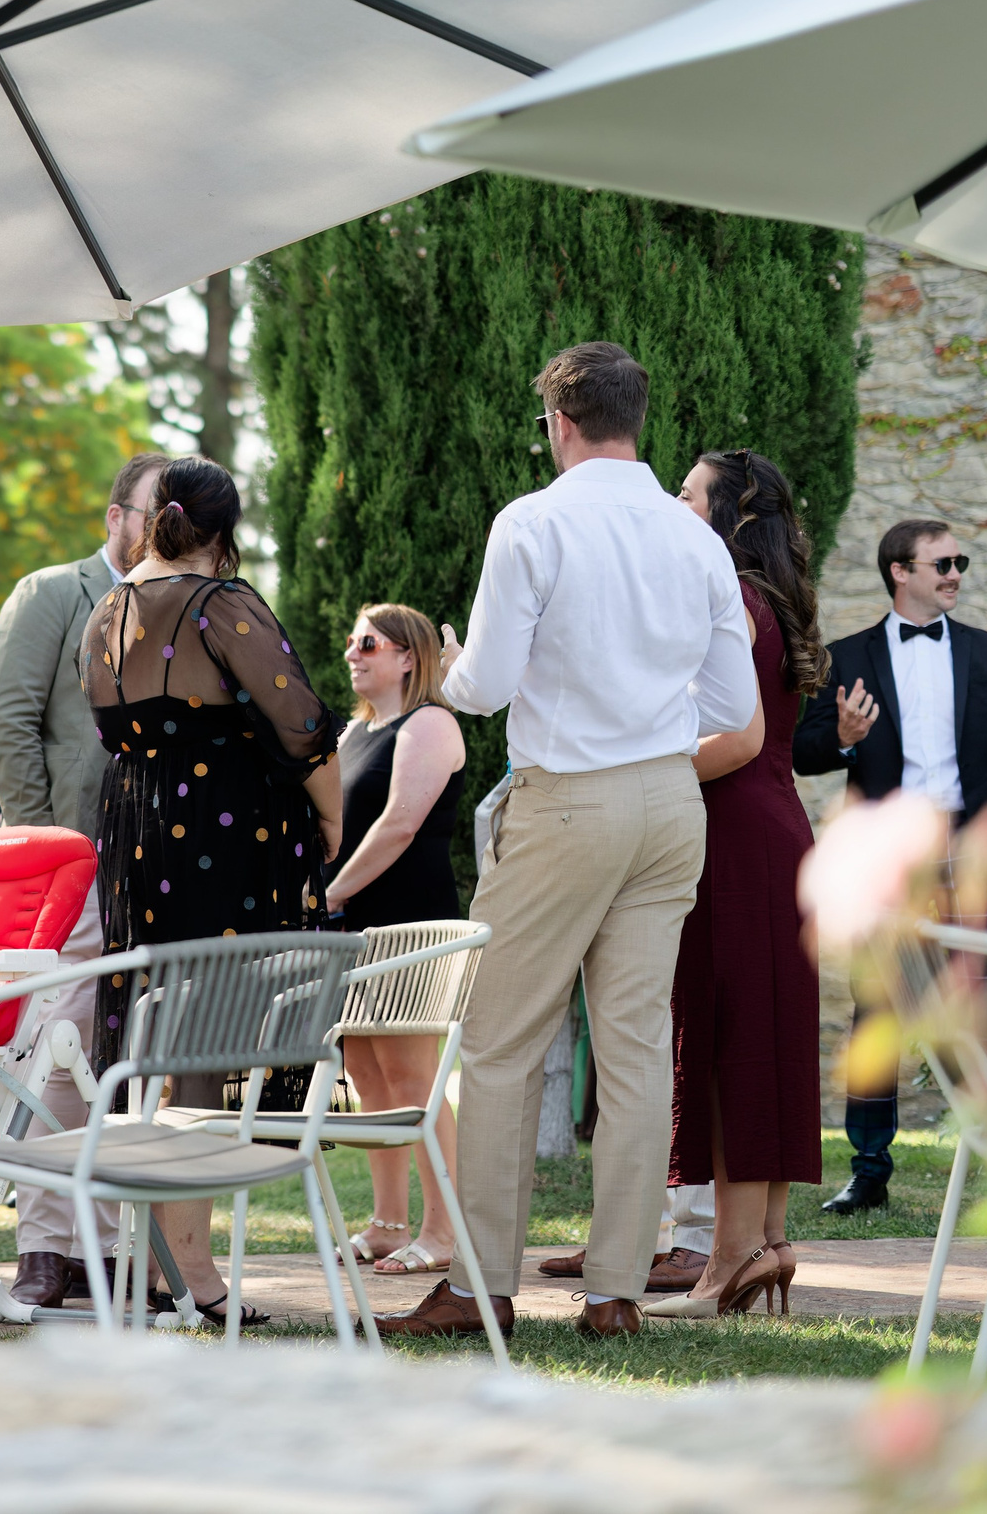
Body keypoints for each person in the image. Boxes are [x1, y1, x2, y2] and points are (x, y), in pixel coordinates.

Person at [378, 343, 755, 1345]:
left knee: (499, 1043)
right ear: (635, 417)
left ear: (559, 423)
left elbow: (485, 686)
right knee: (636, 1047)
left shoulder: (533, 522)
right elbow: (732, 703)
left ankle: (480, 1286)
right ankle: (616, 1293)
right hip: (670, 802)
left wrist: (454, 663)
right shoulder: (695, 540)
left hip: (569, 801)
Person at [82, 454, 344, 1326]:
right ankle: (190, 1273)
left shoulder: (108, 610)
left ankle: (157, 1264)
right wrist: (332, 820)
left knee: (157, 1039)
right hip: (217, 829)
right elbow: (303, 725)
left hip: (135, 825)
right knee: (197, 1046)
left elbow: (108, 724)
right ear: (223, 530)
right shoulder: (221, 604)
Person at [794, 518, 987, 1214]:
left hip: (976, 864)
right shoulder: (848, 657)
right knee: (877, 1014)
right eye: (942, 563)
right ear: (899, 572)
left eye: (959, 562)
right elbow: (804, 751)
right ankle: (869, 1172)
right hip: (892, 869)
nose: (955, 574)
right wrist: (844, 737)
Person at [634, 451, 828, 1319]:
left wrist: (644, 764)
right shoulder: (774, 599)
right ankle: (766, 1243)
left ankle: (729, 1261)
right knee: (768, 1036)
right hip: (778, 834)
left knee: (730, 1042)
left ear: (731, 514)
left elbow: (739, 738)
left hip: (736, 837)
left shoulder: (733, 599)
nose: (673, 503)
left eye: (687, 493)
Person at [0, 450, 165, 1310]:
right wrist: (44, 843)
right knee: (56, 1046)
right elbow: (8, 720)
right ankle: (45, 1247)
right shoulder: (53, 592)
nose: (162, 530)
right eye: (151, 512)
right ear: (115, 516)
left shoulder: (182, 607)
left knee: (128, 1060)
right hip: (72, 859)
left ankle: (106, 1248)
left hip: (156, 867)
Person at [315, 603, 466, 1276]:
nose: (354, 651)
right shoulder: (355, 731)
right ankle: (387, 1223)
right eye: (352, 641)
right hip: (355, 927)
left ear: (409, 656)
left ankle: (445, 1230)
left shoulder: (430, 722)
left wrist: (332, 893)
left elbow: (400, 822)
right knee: (370, 1075)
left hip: (407, 923)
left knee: (414, 1077)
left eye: (369, 643)